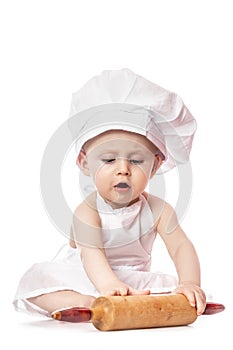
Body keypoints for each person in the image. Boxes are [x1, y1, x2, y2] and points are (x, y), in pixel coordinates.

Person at [13, 68, 206, 318]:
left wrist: (189, 283)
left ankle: (129, 304)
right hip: (87, 275)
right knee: (36, 282)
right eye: (108, 159)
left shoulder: (158, 210)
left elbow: (181, 246)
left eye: (136, 161)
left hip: (133, 280)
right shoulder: (88, 211)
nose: (123, 170)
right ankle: (89, 302)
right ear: (84, 162)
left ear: (156, 165)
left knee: (168, 291)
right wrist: (107, 287)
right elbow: (90, 252)